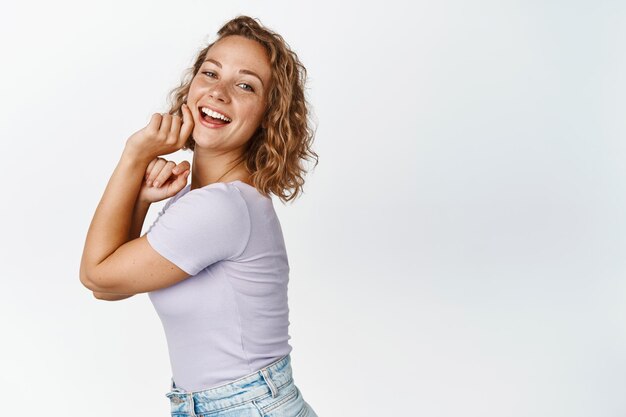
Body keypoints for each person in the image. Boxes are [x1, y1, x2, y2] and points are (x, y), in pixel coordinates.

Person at [79, 15, 319, 417]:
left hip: (246, 407)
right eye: (210, 73)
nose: (219, 92)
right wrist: (140, 200)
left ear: (268, 115)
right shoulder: (200, 197)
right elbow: (110, 288)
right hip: (229, 404)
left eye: (245, 85)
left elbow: (94, 274)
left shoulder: (221, 207)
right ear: (191, 88)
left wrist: (134, 154)